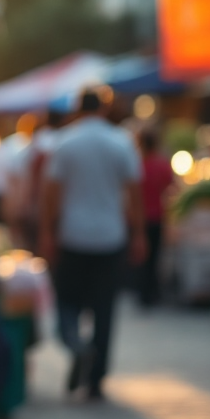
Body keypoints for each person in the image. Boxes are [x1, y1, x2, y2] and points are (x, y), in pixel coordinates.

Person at [40, 87, 144, 400]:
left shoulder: (65, 142)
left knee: (67, 302)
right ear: (104, 108)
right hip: (111, 237)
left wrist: (47, 231)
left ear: (77, 108)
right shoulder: (121, 141)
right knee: (104, 309)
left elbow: (52, 193)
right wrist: (138, 234)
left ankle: (76, 345)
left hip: (73, 236)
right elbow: (134, 193)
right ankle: (96, 379)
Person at [6, 109, 66, 251]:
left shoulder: (35, 145)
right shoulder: (63, 141)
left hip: (35, 208)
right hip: (57, 210)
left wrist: (19, 206)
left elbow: (18, 177)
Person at [137, 127, 174, 306]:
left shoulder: (138, 163)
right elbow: (171, 186)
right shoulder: (161, 164)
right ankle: (152, 290)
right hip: (157, 215)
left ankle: (142, 290)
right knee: (154, 255)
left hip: (140, 215)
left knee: (141, 255)